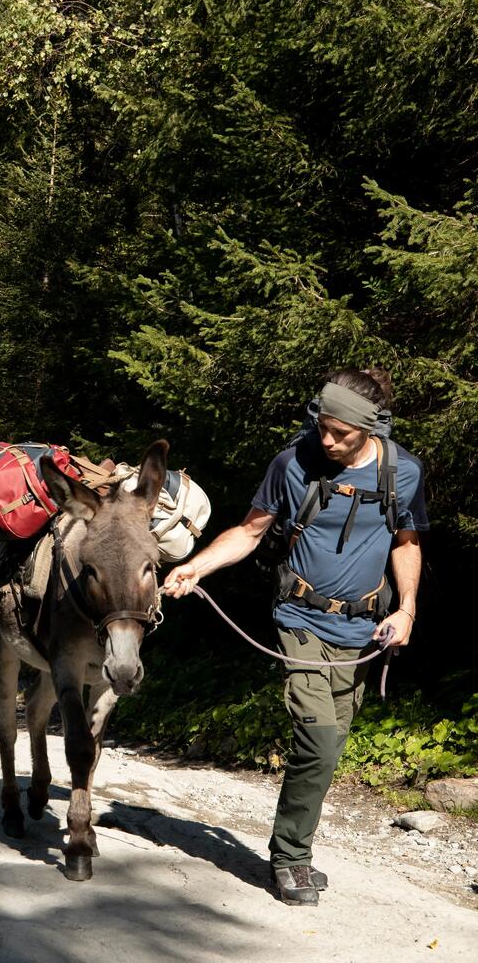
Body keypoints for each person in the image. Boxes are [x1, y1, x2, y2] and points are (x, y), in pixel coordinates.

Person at [163, 368, 427, 906]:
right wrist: (197, 567)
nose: (326, 441)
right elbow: (250, 530)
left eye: (340, 435)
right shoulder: (294, 463)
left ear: (370, 427)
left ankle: (293, 848)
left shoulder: (403, 473)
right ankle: (291, 859)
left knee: (327, 747)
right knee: (320, 739)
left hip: (363, 630)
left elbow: (406, 542)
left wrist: (407, 610)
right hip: (299, 620)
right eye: (322, 429)